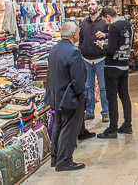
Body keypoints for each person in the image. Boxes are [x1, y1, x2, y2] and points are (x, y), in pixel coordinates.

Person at [44, 22, 87, 171]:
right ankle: (64, 160)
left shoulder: (54, 50)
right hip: (69, 97)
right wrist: (81, 94)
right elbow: (77, 78)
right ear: (75, 34)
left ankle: (56, 158)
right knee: (69, 128)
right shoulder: (73, 52)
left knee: (59, 125)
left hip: (56, 95)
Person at [97, 7, 134, 139]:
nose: (106, 24)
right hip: (124, 65)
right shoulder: (128, 25)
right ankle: (127, 125)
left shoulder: (113, 27)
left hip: (112, 66)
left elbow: (112, 49)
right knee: (124, 95)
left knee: (112, 97)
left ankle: (112, 129)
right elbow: (128, 42)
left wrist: (102, 45)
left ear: (108, 16)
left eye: (105, 21)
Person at [78, 0, 109, 122]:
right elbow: (81, 38)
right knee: (88, 87)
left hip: (101, 59)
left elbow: (111, 35)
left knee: (103, 87)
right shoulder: (84, 22)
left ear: (98, 6)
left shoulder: (103, 22)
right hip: (87, 60)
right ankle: (90, 111)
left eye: (93, 4)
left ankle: (105, 112)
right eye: (88, 4)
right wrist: (81, 49)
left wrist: (105, 36)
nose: (90, 6)